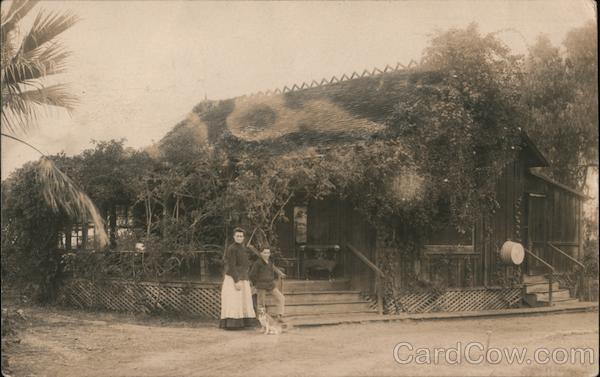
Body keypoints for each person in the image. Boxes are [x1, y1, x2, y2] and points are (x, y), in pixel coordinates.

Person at [219, 228, 257, 329]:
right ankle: (231, 324)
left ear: (243, 238)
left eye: (241, 236)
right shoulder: (231, 249)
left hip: (243, 277)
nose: (239, 238)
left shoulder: (243, 248)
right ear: (234, 237)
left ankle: (243, 323)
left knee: (243, 301)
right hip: (233, 278)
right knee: (234, 301)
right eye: (237, 236)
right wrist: (236, 281)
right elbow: (231, 266)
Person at [249, 247, 285, 320]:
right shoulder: (257, 263)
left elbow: (272, 272)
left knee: (281, 298)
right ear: (261, 253)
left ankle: (279, 315)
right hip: (261, 286)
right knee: (261, 304)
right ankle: (262, 321)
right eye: (265, 253)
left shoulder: (270, 262)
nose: (266, 254)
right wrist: (256, 283)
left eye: (268, 253)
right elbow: (251, 275)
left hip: (270, 285)